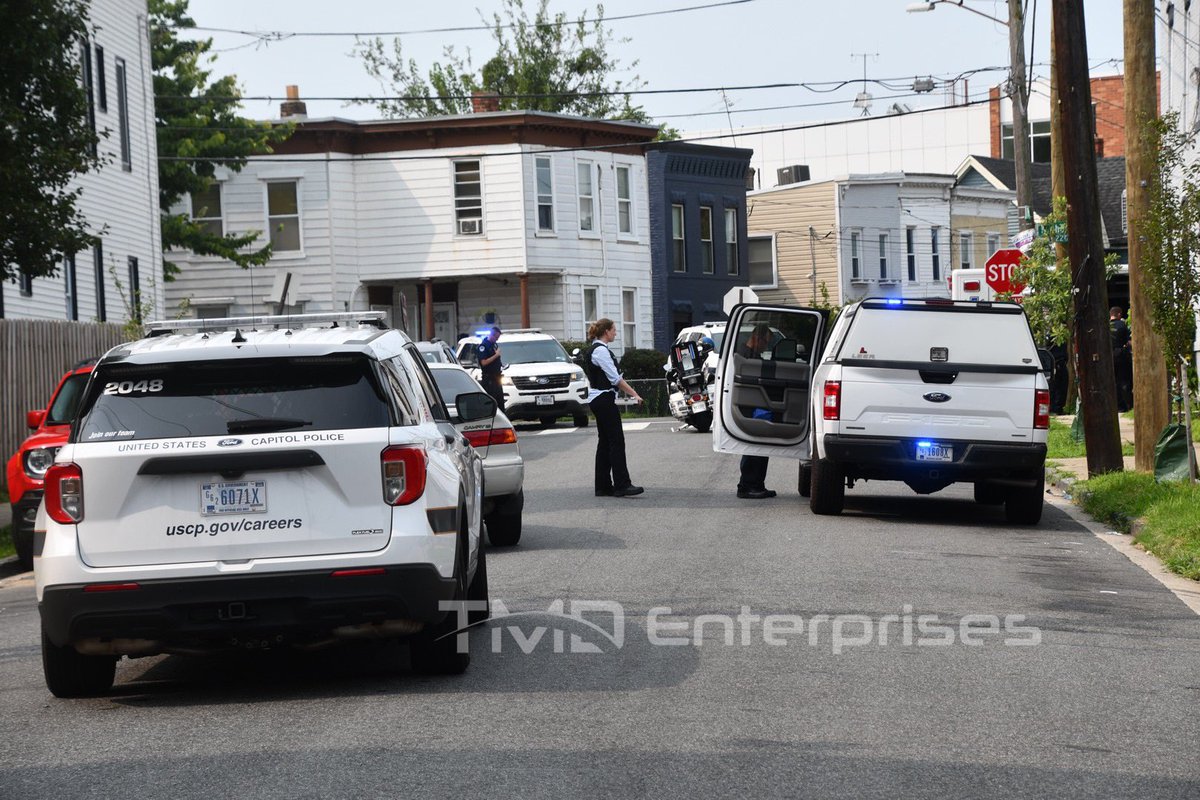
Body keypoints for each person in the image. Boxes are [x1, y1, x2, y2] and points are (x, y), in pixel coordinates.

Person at [583, 318, 644, 497]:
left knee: (605, 442)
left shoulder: (596, 349)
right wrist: (635, 394)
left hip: (598, 398)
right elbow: (615, 379)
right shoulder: (601, 351)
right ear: (606, 332)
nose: (616, 333)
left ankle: (602, 486)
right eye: (614, 330)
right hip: (603, 399)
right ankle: (622, 484)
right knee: (616, 441)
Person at [738, 324, 776, 499]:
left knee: (760, 446)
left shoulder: (752, 355)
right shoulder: (745, 356)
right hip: (749, 407)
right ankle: (747, 486)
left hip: (755, 405)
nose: (766, 347)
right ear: (757, 338)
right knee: (755, 445)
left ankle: (757, 484)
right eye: (765, 342)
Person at [476, 326, 506, 412]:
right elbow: (484, 362)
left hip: (497, 378)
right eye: (496, 337)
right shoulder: (483, 346)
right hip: (489, 380)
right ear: (492, 335)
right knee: (491, 404)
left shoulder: (494, 345)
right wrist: (496, 355)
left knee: (500, 404)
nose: (497, 340)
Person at [1109, 306, 1132, 412]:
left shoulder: (1106, 326)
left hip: (1110, 357)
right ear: (1119, 314)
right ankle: (1126, 405)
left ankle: (1115, 405)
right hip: (1121, 356)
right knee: (1124, 381)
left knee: (1112, 382)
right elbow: (1129, 341)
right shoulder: (1122, 325)